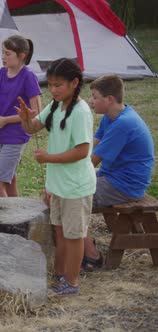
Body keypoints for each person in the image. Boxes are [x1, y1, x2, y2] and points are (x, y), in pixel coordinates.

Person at [17, 58, 96, 296]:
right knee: (60, 232)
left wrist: (48, 158)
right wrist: (24, 119)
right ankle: (60, 275)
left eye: (58, 85)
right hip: (59, 184)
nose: (53, 90)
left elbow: (83, 151)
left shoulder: (81, 112)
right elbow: (32, 128)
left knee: (74, 236)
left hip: (76, 186)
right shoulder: (54, 105)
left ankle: (71, 282)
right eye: (50, 85)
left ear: (74, 83)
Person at [80, 74, 155, 271]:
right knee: (67, 188)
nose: (91, 101)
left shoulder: (123, 124)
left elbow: (93, 160)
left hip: (126, 186)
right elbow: (92, 147)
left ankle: (91, 255)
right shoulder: (111, 116)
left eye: (95, 97)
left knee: (72, 197)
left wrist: (69, 174)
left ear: (109, 99)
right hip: (114, 177)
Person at [0, 35, 42, 197]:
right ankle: (18, 217)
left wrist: (6, 121)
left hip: (17, 136)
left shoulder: (28, 77)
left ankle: (6, 221)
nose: (3, 57)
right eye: (2, 53)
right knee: (9, 179)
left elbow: (36, 113)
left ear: (22, 55)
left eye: (8, 53)